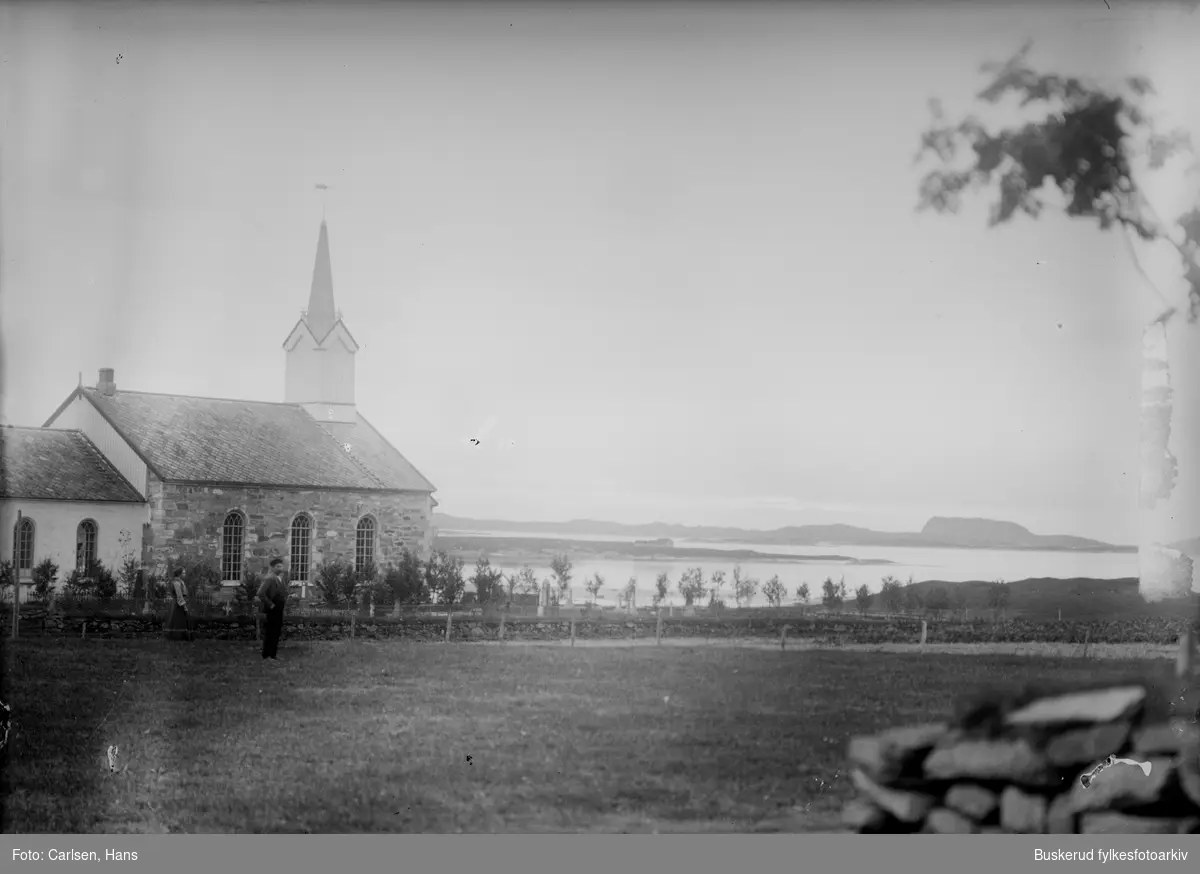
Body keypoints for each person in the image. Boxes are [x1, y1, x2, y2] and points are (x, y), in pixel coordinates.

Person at [256, 557, 288, 661]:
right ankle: (266, 655)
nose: (280, 568)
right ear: (273, 568)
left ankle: (273, 654)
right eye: (278, 566)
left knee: (276, 632)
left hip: (279, 608)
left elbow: (281, 592)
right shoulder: (269, 578)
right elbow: (260, 593)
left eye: (281, 566)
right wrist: (270, 605)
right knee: (270, 631)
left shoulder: (281, 578)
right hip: (272, 609)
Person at [163, 568, 193, 642]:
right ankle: (177, 637)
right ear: (179, 574)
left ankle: (183, 636)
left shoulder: (181, 582)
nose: (184, 575)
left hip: (180, 603)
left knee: (182, 620)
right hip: (177, 604)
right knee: (177, 620)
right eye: (183, 573)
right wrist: (184, 606)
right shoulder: (176, 583)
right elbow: (179, 596)